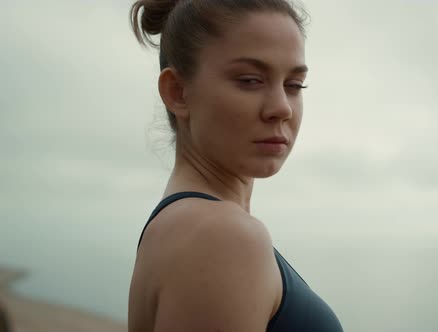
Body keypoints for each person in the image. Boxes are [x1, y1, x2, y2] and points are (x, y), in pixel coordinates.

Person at [127, 1, 344, 331]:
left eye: (294, 85)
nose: (282, 108)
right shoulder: (224, 237)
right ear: (178, 92)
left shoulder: (180, 226)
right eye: (250, 80)